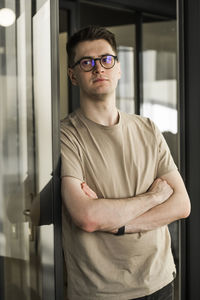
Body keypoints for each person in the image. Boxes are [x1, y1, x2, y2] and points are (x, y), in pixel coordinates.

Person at [60, 25, 191, 300]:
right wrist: (154, 197)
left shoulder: (148, 129)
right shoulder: (65, 135)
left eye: (107, 60)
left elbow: (181, 205)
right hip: (98, 291)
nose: (99, 69)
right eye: (87, 62)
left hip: (159, 281)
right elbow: (88, 217)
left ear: (118, 69)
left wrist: (118, 223)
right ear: (73, 75)